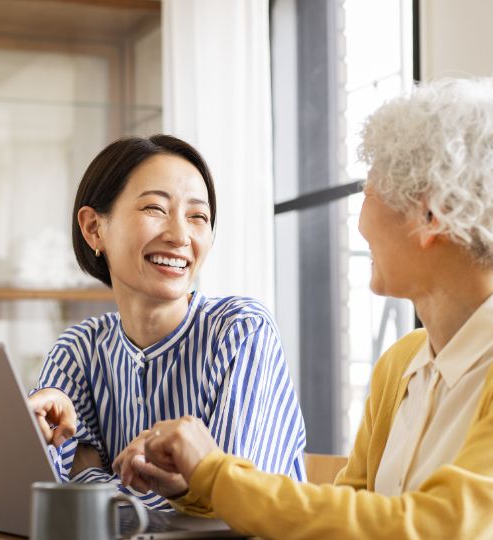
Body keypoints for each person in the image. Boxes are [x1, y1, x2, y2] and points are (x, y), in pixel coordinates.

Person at [131, 78, 493, 538]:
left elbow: (433, 527)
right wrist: (198, 485)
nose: (359, 224)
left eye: (369, 192)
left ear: (431, 214)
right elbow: (346, 522)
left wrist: (217, 474)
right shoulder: (402, 363)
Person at [27, 134, 307, 510]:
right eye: (155, 209)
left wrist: (88, 472)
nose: (179, 236)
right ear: (94, 227)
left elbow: (233, 507)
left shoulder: (241, 332)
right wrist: (46, 444)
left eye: (198, 217)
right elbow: (40, 500)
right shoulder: (79, 350)